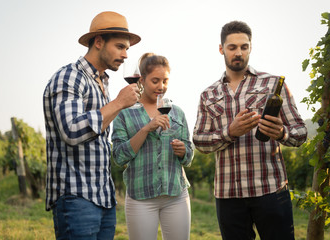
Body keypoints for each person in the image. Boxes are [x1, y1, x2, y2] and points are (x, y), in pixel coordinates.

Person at [193, 21, 307, 240]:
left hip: (271, 191)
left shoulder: (273, 84)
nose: (239, 53)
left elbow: (300, 132)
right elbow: (199, 140)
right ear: (221, 49)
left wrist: (282, 133)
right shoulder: (208, 94)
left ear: (250, 48)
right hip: (228, 196)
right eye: (232, 47)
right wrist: (230, 132)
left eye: (244, 47)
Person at [43, 11, 141, 239]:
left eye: (127, 48)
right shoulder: (69, 77)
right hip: (76, 197)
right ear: (98, 42)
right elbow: (72, 131)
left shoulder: (102, 82)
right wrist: (118, 103)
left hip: (103, 197)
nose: (126, 55)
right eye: (120, 47)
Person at [112, 53, 194, 240]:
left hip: (176, 195)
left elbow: (189, 156)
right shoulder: (125, 113)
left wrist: (183, 151)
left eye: (165, 81)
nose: (161, 87)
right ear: (142, 80)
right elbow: (118, 157)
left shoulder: (177, 112)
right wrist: (146, 129)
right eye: (155, 81)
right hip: (140, 198)